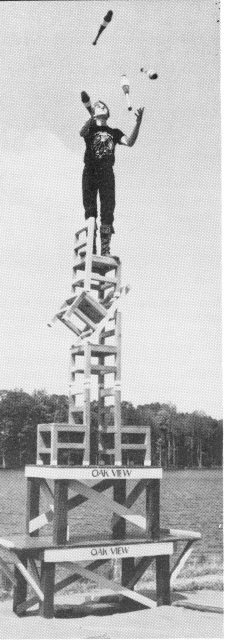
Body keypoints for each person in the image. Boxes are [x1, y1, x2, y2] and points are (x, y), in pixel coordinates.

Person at [80, 100, 144, 255]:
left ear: (108, 112)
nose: (99, 107)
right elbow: (82, 133)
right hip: (90, 170)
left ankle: (105, 249)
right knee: (90, 209)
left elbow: (129, 142)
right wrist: (91, 118)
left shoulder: (114, 132)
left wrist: (138, 123)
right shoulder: (90, 128)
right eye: (96, 107)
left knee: (108, 210)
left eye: (102, 106)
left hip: (107, 172)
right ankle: (91, 247)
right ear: (94, 113)